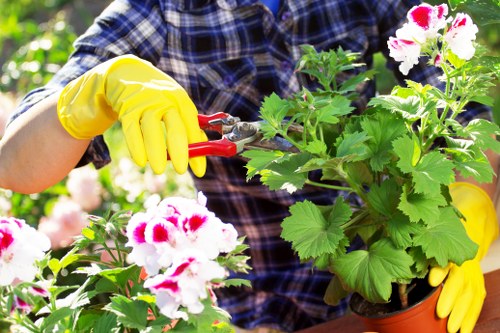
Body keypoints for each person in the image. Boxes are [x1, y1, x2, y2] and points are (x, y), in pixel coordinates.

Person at [0, 1, 497, 332]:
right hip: (255, 300)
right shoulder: (155, 12)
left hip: (396, 273)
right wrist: (95, 92)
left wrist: (463, 205)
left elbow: (463, 111)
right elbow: (15, 166)